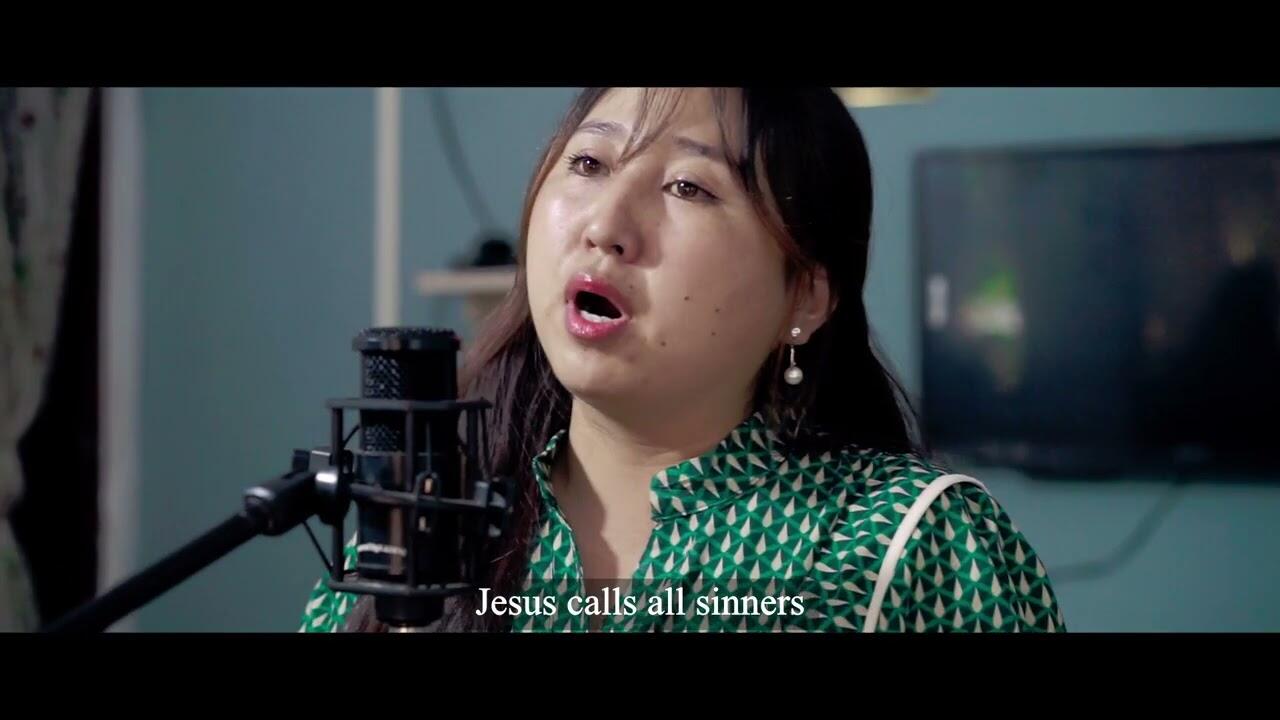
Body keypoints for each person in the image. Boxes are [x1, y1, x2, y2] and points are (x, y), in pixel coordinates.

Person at [299, 87, 1066, 633]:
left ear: (805, 297)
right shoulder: (412, 531)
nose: (605, 224)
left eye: (688, 186)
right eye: (589, 163)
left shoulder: (907, 545)